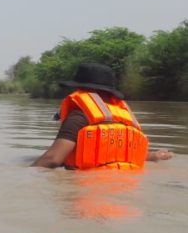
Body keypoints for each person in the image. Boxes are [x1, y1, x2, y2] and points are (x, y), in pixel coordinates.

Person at [32, 63, 173, 169]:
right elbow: (120, 155)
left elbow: (52, 159)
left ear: (82, 89)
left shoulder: (79, 116)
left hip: (89, 193)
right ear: (110, 92)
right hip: (127, 194)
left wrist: (24, 173)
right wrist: (154, 156)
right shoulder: (127, 119)